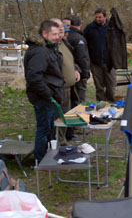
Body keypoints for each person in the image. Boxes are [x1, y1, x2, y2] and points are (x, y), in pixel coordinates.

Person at [24, 20, 64, 163]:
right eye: (54, 34)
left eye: (58, 34)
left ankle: (48, 154)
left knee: (48, 127)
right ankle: (40, 159)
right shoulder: (39, 51)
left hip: (49, 96)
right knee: (43, 129)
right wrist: (48, 94)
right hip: (43, 98)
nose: (57, 37)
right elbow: (34, 77)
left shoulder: (48, 48)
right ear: (44, 34)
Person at [50, 18, 81, 143]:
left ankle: (62, 140)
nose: (62, 34)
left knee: (65, 116)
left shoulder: (65, 43)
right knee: (58, 118)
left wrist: (75, 70)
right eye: (59, 31)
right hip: (58, 88)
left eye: (62, 31)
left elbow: (70, 61)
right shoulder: (50, 47)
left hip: (68, 88)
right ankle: (56, 142)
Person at [84, 8, 116, 102]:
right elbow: (85, 43)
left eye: (100, 17)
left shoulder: (112, 27)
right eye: (96, 17)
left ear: (105, 17)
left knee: (111, 85)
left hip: (109, 62)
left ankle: (110, 102)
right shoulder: (89, 28)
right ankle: (100, 103)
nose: (98, 19)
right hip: (95, 62)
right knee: (99, 86)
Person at [68, 15, 90, 106]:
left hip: (70, 70)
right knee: (79, 98)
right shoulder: (79, 38)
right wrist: (85, 73)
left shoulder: (66, 36)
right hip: (79, 72)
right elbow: (82, 57)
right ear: (80, 25)